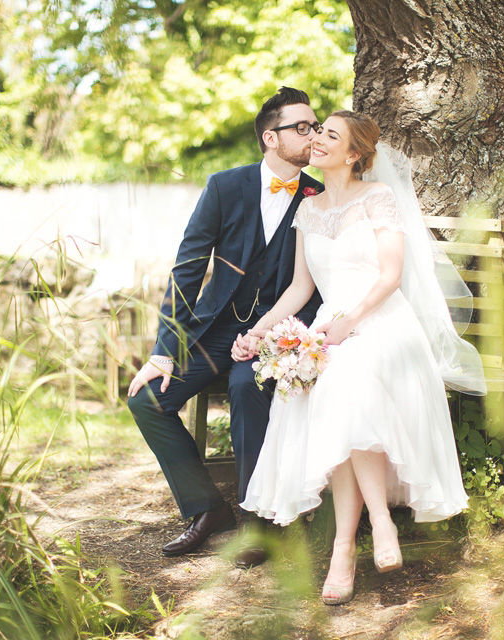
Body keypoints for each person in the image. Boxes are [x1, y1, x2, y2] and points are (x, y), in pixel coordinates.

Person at [235, 110, 487, 604]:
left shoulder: (378, 198)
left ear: (353, 154)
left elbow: (390, 275)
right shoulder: (308, 209)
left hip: (383, 321)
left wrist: (352, 321)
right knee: (339, 387)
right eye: (317, 133)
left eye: (330, 135)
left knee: (345, 385)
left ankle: (345, 547)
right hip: (330, 327)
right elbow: (299, 288)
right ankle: (374, 528)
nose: (317, 141)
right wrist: (261, 331)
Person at [126, 87, 323, 567]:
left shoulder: (319, 195)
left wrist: (275, 336)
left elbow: (310, 285)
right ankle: (207, 508)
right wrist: (164, 350)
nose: (312, 135)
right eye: (301, 127)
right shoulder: (224, 186)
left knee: (245, 387)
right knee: (146, 399)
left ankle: (259, 525)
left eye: (315, 126)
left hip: (278, 331)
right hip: (213, 329)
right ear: (269, 139)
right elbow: (187, 269)